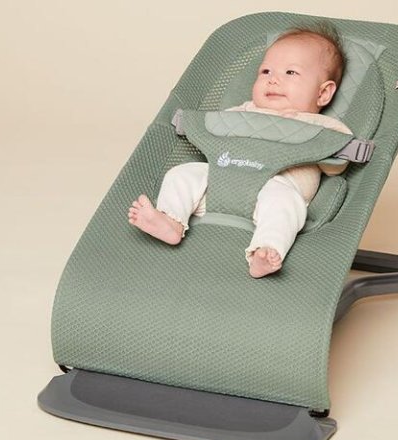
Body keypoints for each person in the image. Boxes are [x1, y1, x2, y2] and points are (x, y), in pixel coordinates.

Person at [128, 26, 352, 278]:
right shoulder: (242, 111)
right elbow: (211, 131)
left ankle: (265, 251)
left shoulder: (321, 126)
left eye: (291, 72)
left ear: (323, 93)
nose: (273, 79)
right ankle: (171, 220)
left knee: (287, 204)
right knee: (183, 173)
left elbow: (336, 165)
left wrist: (310, 137)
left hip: (272, 193)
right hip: (220, 182)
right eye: (266, 71)